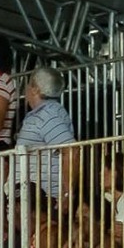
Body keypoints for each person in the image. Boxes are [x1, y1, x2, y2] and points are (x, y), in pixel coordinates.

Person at [13, 65, 76, 202]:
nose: (26, 89)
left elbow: (71, 150)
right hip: (32, 197)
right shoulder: (44, 113)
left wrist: (67, 194)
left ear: (35, 88)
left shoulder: (48, 114)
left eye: (29, 84)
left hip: (43, 199)